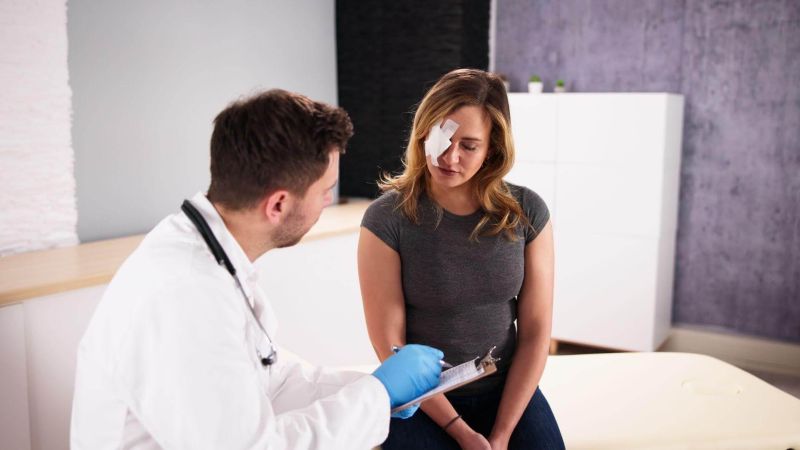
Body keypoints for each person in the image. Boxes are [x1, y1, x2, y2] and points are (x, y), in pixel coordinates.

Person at [71, 89, 444, 450]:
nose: (329, 202)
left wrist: (375, 388)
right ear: (278, 204)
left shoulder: (213, 253)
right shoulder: (188, 295)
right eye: (325, 191)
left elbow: (273, 380)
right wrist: (376, 395)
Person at [358, 69, 565, 450]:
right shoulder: (387, 219)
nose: (449, 155)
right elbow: (391, 343)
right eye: (442, 136)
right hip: (420, 399)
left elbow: (536, 332)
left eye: (469, 145)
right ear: (423, 131)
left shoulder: (527, 212)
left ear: (493, 150)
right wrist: (462, 433)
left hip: (506, 392)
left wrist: (501, 435)